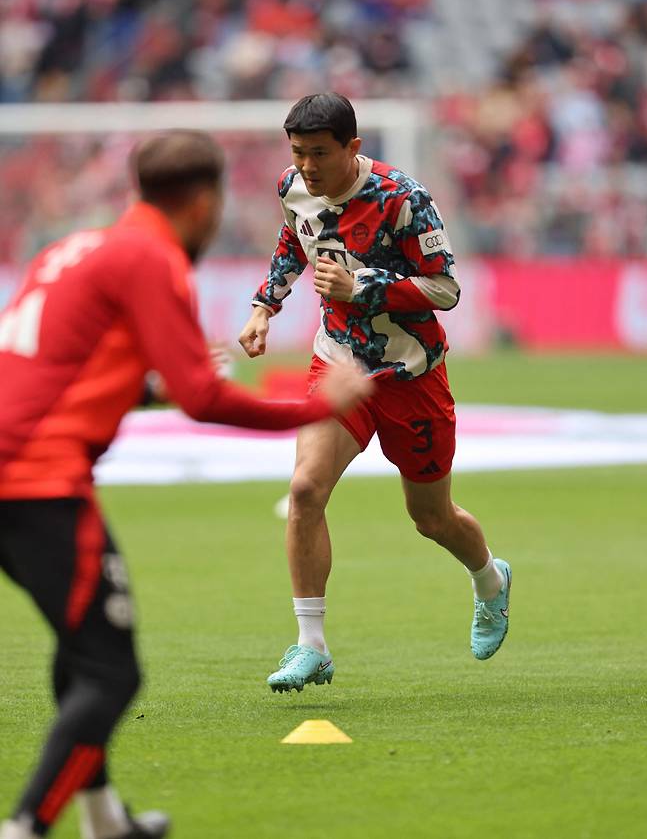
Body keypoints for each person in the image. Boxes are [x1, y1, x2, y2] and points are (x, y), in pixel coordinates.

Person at [0, 129, 370, 839]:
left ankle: (105, 821)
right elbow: (205, 397)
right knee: (112, 677)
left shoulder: (75, 247)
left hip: (19, 467)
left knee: (82, 653)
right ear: (204, 203)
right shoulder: (153, 258)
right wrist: (320, 404)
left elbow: (53, 368)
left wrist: (143, 391)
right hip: (34, 480)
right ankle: (24, 828)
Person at [238, 93, 512, 694]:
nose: (307, 166)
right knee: (306, 488)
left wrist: (365, 283)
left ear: (352, 148)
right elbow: (294, 241)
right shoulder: (293, 186)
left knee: (431, 517)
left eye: (320, 153)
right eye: (299, 153)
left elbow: (446, 289)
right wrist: (265, 306)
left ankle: (490, 579)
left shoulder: (401, 198)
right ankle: (311, 644)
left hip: (410, 374)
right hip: (338, 365)